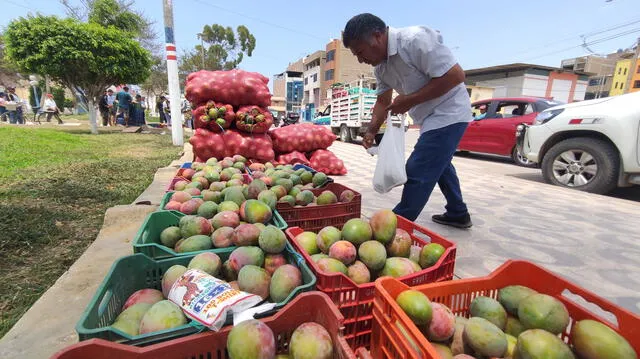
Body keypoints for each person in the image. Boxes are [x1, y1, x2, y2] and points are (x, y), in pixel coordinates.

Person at [343, 13, 472, 228]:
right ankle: (458, 212)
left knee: (418, 170)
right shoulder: (381, 68)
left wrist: (410, 100)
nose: (360, 59)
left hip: (450, 112)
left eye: (361, 52)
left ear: (377, 36)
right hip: (427, 117)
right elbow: (383, 101)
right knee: (440, 163)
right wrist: (371, 131)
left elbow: (456, 76)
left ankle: (391, 228)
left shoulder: (415, 40)